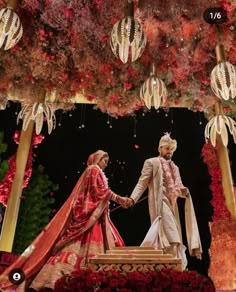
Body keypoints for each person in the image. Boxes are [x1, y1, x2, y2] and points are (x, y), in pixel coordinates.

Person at [0, 150, 129, 291]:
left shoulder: (94, 171)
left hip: (95, 216)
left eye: (107, 161)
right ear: (98, 159)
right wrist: (120, 199)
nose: (106, 164)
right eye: (104, 160)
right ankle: (65, 279)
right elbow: (100, 192)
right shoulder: (93, 169)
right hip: (89, 217)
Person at [125, 133, 202, 270]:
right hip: (160, 204)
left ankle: (168, 269)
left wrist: (184, 191)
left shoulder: (175, 167)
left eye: (171, 149)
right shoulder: (152, 162)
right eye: (167, 149)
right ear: (160, 148)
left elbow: (177, 187)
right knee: (172, 237)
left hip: (172, 206)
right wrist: (132, 199)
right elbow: (142, 183)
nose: (169, 152)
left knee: (172, 237)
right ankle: (171, 270)